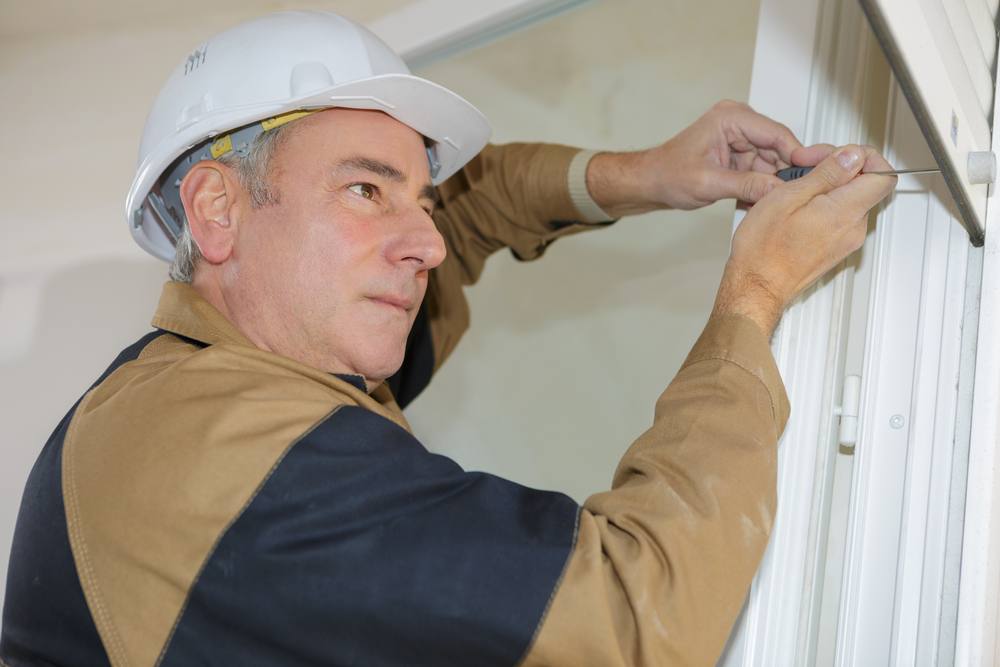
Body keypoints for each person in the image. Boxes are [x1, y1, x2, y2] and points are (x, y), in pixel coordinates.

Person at [0, 10, 896, 667]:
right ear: (219, 208)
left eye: (418, 199)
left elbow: (467, 217)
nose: (426, 240)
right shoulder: (223, 457)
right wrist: (755, 296)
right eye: (365, 191)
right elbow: (633, 615)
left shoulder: (218, 377)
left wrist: (652, 175)